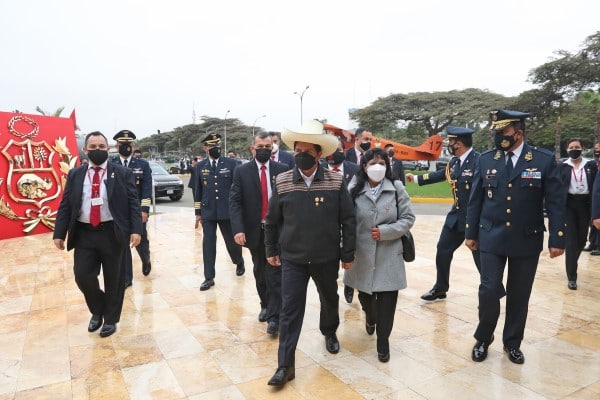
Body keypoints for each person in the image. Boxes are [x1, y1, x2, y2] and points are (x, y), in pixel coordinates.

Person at [465, 109, 565, 365]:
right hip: (491, 236)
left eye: (503, 131)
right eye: (497, 132)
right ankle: (483, 338)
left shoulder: (542, 160)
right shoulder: (486, 160)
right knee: (489, 290)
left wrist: (557, 238)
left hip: (526, 238)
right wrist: (470, 233)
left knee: (519, 294)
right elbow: (475, 200)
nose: (499, 136)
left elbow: (555, 202)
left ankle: (512, 343)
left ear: (518, 133)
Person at [265, 120, 356, 387]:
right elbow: (272, 220)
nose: (301, 155)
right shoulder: (282, 181)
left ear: (318, 154)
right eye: (297, 151)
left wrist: (347, 254)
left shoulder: (335, 181)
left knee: (329, 299)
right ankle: (285, 365)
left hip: (326, 257)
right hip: (292, 259)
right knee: (289, 310)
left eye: (306, 151)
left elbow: (348, 220)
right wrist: (271, 249)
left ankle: (329, 331)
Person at [53, 131, 142, 338]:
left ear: (108, 148)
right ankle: (98, 308)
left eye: (101, 146)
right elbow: (66, 204)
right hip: (84, 233)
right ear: (85, 150)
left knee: (114, 279)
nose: (97, 150)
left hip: (112, 233)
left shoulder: (122, 173)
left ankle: (110, 319)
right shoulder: (75, 174)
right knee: (82, 276)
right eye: (92, 147)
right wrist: (59, 232)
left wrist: (136, 230)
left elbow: (133, 203)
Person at [343, 148, 415, 363]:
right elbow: (345, 221)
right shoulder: (354, 188)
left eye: (382, 163)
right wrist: (344, 249)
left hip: (389, 254)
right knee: (366, 298)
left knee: (387, 304)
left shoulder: (396, 187)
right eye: (372, 163)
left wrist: (386, 231)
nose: (377, 167)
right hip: (362, 255)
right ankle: (370, 318)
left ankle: (383, 342)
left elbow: (408, 218)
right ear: (364, 167)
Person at [405, 126, 481, 301]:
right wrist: (416, 179)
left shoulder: (479, 161)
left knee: (481, 258)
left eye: (451, 142)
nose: (449, 145)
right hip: (456, 216)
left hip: (474, 219)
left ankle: (491, 290)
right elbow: (441, 175)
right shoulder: (454, 162)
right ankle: (440, 288)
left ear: (459, 144)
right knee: (443, 250)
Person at [229, 132, 290, 335]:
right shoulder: (242, 171)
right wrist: (238, 229)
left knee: (275, 271)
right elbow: (235, 201)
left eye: (268, 146)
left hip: (277, 230)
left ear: (272, 148)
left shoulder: (282, 170)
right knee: (260, 271)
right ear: (252, 148)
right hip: (255, 230)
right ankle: (265, 304)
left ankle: (274, 317)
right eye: (260, 146)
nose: (264, 149)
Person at [194, 133, 245, 291]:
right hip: (208, 211)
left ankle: (239, 261)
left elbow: (237, 189)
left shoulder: (231, 164)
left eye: (217, 145)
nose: (215, 148)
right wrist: (198, 213)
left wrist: (238, 210)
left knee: (231, 242)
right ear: (205, 148)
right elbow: (197, 190)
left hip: (227, 210)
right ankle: (209, 277)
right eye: (211, 146)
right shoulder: (200, 166)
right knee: (208, 244)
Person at [113, 130, 153, 286]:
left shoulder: (142, 165)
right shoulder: (111, 164)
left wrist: (144, 210)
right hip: (119, 212)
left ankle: (146, 259)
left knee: (141, 241)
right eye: (122, 143)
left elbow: (147, 189)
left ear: (133, 145)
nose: (126, 146)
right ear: (117, 145)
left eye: (128, 143)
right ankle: (127, 279)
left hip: (137, 210)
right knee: (123, 244)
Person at [558, 138, 597, 290]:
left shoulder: (590, 165)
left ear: (582, 148)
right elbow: (557, 187)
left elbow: (596, 187)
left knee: (581, 240)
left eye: (577, 147)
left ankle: (572, 259)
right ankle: (572, 277)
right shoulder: (562, 166)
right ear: (567, 150)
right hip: (569, 205)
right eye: (571, 147)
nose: (574, 149)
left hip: (585, 204)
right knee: (571, 241)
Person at [584, 141, 600, 254]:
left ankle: (599, 246)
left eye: (599, 148)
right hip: (593, 195)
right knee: (593, 221)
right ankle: (592, 243)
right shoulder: (593, 163)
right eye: (596, 148)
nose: (597, 150)